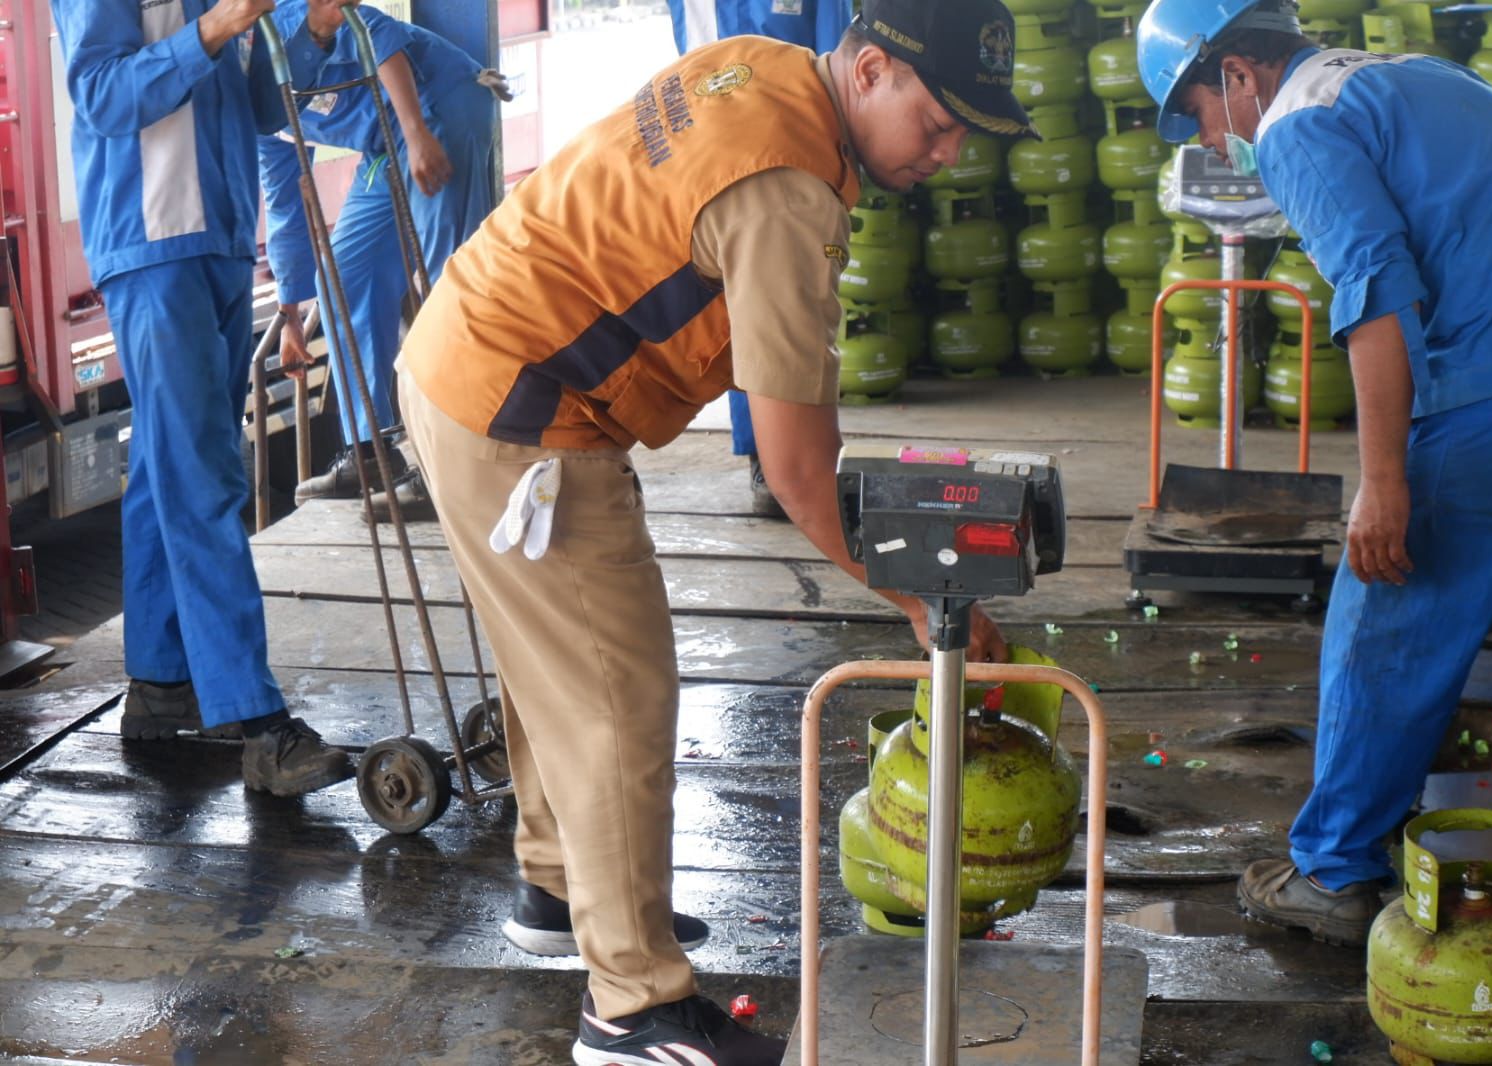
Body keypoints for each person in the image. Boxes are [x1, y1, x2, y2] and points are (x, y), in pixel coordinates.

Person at [395, 0, 1030, 1059]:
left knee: (552, 659)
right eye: (939, 121)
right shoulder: (783, 189)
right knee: (613, 693)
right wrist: (921, 600)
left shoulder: (766, 67)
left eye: (971, 132)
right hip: (523, 411)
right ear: (870, 69)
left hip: (465, 354)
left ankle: (561, 892)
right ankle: (631, 1004)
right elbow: (793, 467)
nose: (951, 151)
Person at [1137, 0, 1492, 945]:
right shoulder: (1409, 77)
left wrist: (1384, 484)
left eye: (1201, 115)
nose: (1216, 144)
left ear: (1238, 75)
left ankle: (1337, 869)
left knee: (1386, 613)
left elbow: (1381, 302)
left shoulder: (1301, 128)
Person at [53, 0, 357, 794]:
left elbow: (259, 108)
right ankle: (256, 721)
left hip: (220, 240)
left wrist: (315, 29)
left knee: (168, 469)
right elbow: (101, 95)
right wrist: (217, 28)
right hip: (151, 247)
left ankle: (159, 684)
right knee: (203, 478)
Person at [261, 0, 505, 517]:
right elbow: (285, 205)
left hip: (440, 107)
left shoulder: (281, 25)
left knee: (448, 289)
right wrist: (289, 316)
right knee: (344, 277)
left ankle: (463, 471)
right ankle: (371, 452)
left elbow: (379, 39)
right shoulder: (258, 116)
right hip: (385, 144)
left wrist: (417, 136)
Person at [666, 0, 853, 519]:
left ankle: (806, 457)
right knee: (741, 314)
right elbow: (692, 68)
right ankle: (765, 460)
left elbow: (837, 54)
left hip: (802, 158)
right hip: (726, 162)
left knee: (802, 311)